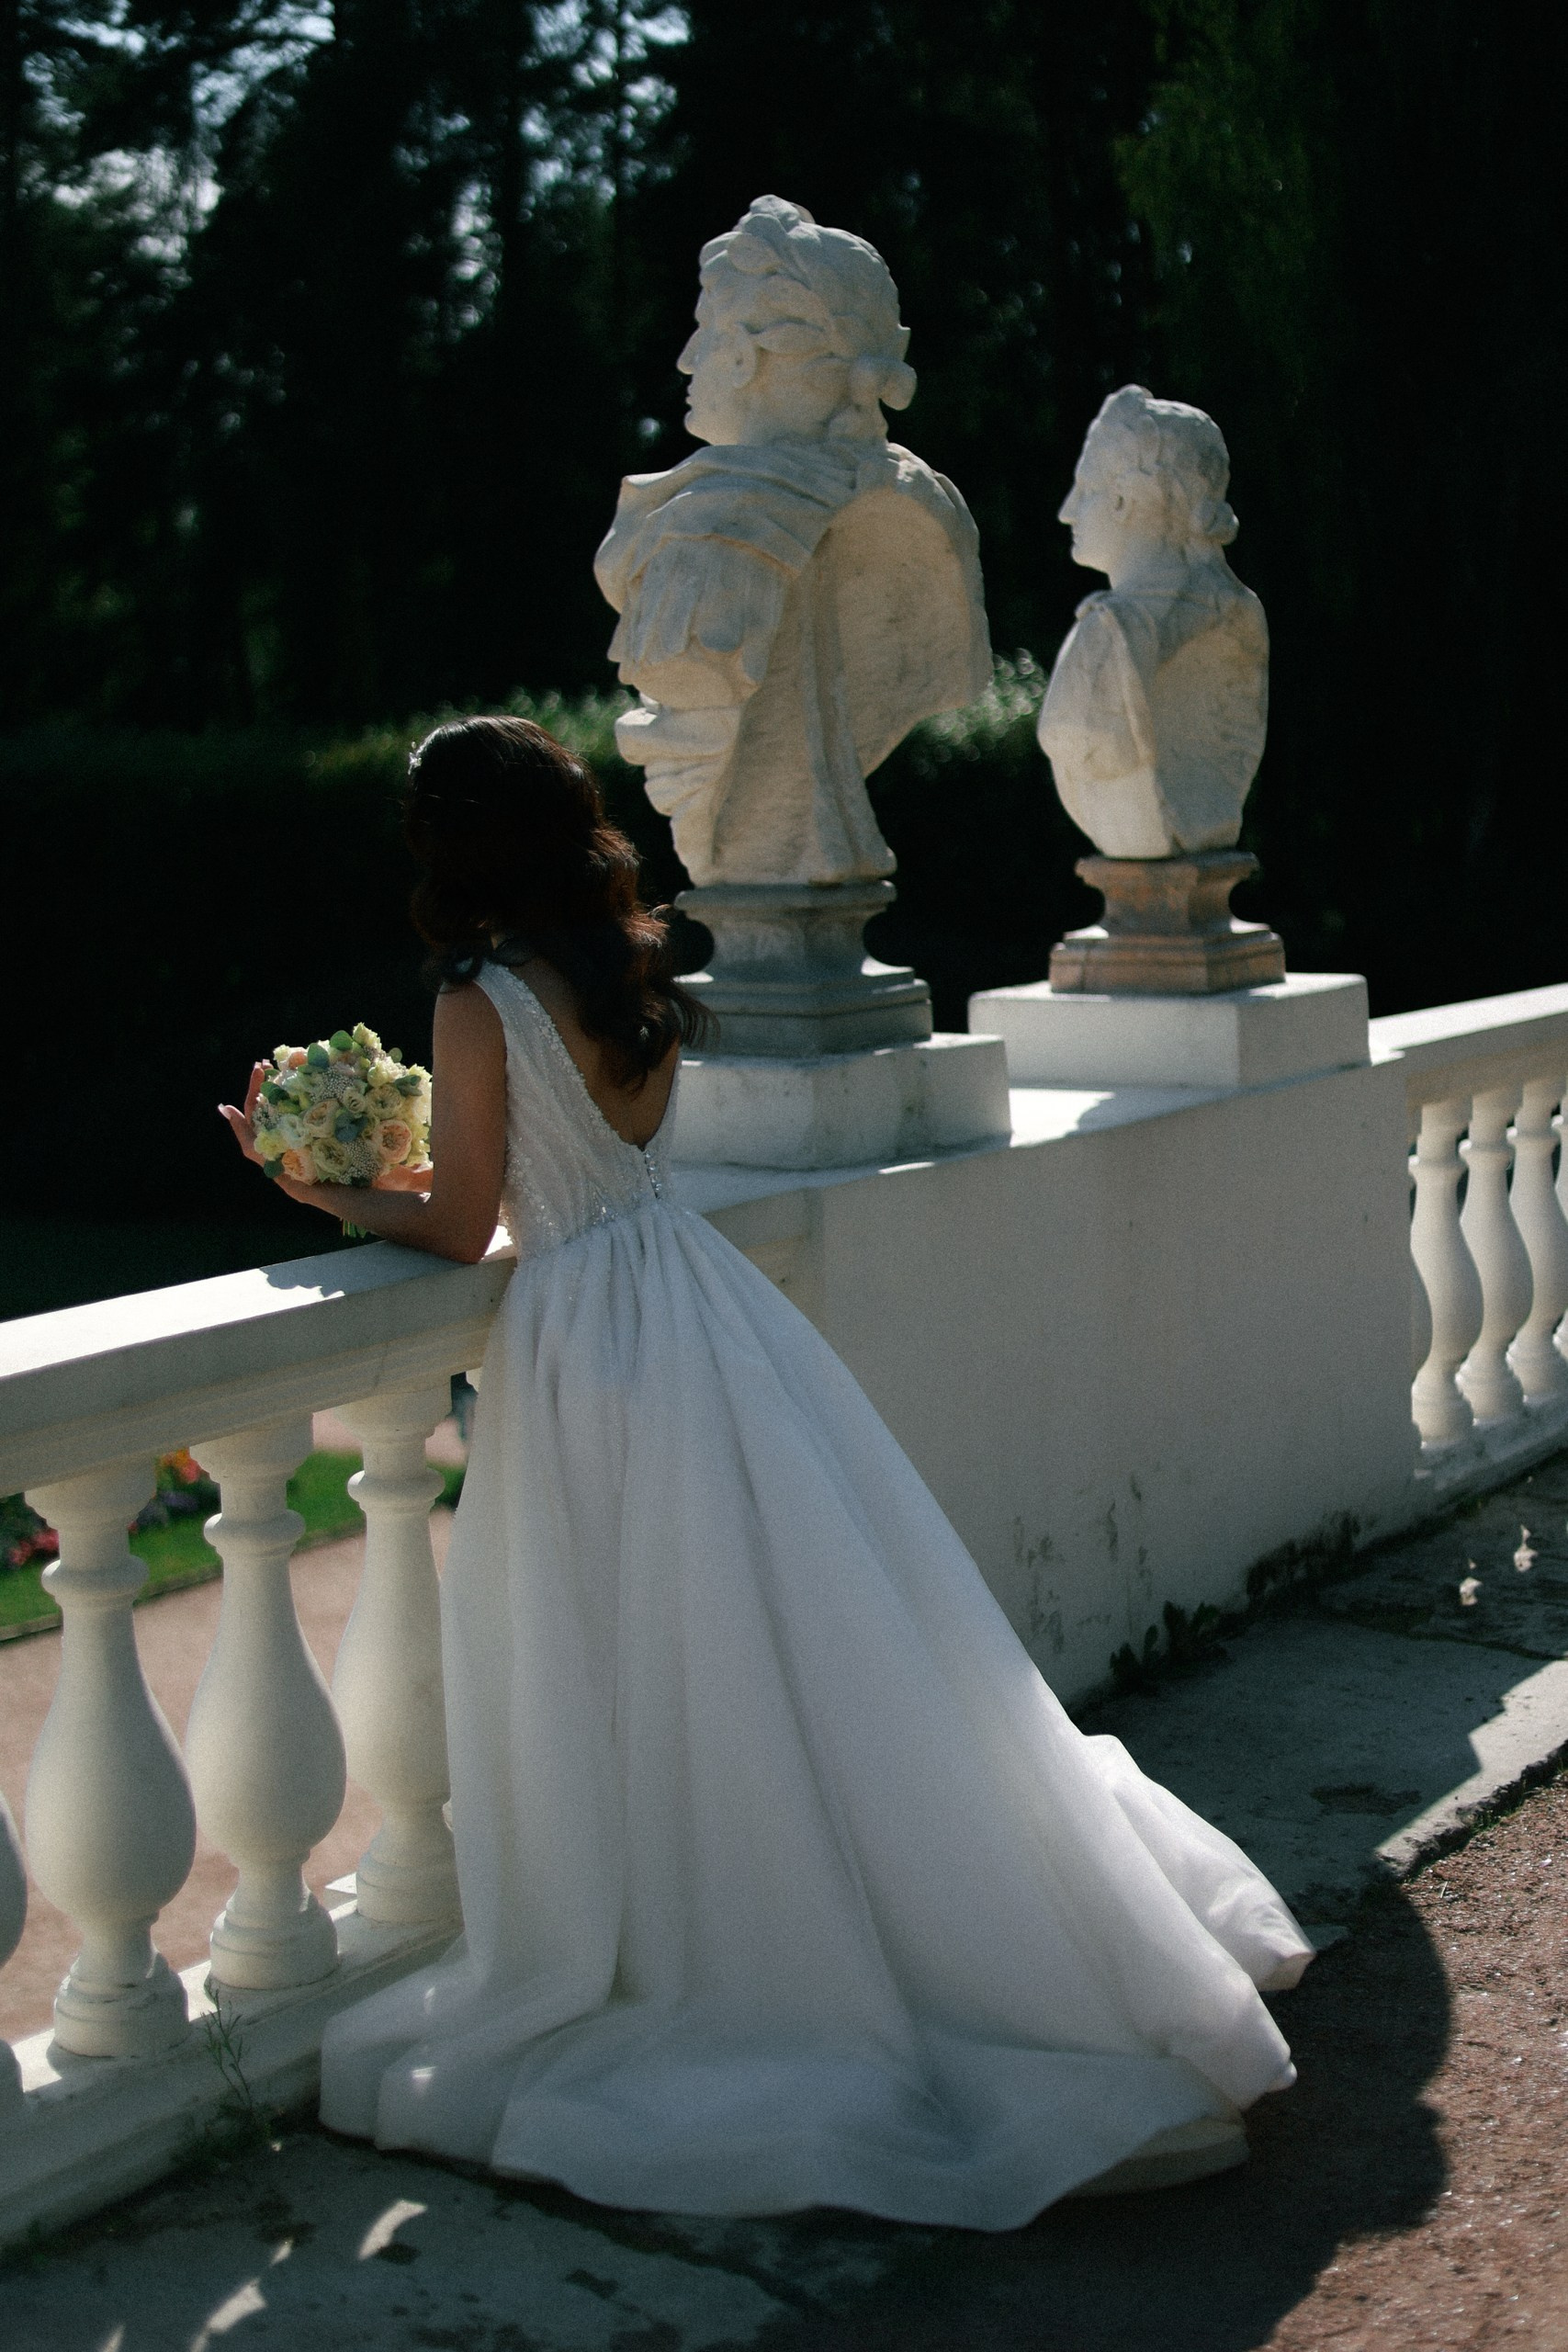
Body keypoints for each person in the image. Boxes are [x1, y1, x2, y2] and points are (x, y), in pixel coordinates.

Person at [222, 714, 1313, 2230]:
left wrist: (317, 1188)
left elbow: (470, 1225)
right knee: (801, 1638)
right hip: (689, 1298)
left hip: (588, 1340)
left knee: (650, 1648)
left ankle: (710, 1937)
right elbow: (561, 1167)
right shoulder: (624, 968)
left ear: (454, 850)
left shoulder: (477, 997)